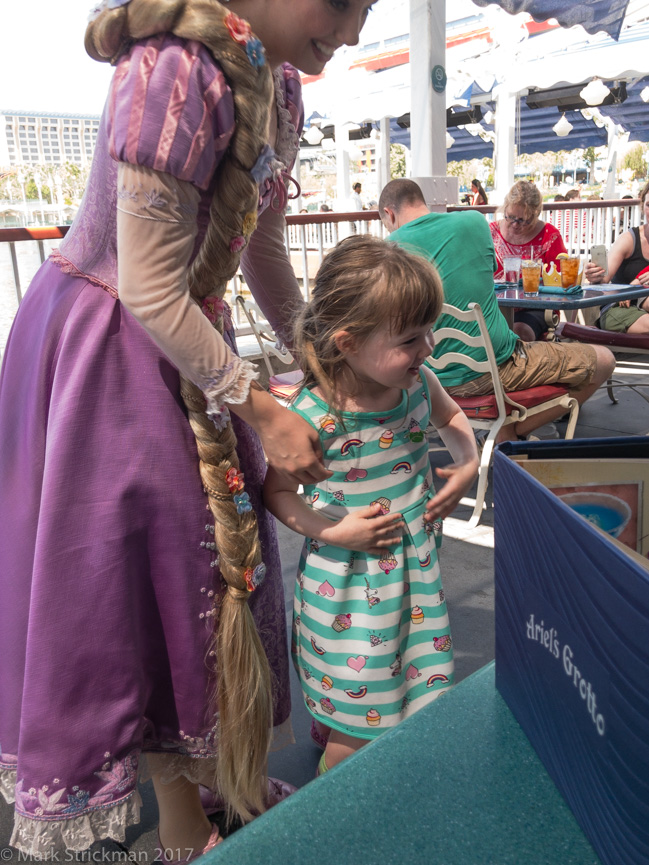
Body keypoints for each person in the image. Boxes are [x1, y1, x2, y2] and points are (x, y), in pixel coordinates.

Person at [0, 0, 374, 858]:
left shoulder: (278, 83)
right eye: (345, 0)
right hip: (109, 352)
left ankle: (210, 786)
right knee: (144, 580)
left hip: (188, 342)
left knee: (210, 567)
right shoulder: (168, 72)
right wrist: (264, 406)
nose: (353, 29)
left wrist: (310, 355)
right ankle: (182, 824)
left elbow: (264, 252)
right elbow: (148, 287)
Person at [263, 235, 479, 775]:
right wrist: (334, 532)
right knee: (357, 727)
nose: (428, 348)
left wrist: (468, 462)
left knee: (412, 690)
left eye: (428, 331)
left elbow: (453, 421)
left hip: (414, 583)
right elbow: (279, 494)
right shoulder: (312, 415)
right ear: (349, 342)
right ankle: (337, 823)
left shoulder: (418, 385)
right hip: (347, 592)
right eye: (410, 339)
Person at [378, 179, 615, 443]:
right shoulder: (474, 222)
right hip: (497, 368)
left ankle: (503, 429)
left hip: (428, 378)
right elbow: (487, 276)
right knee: (605, 360)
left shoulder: (387, 252)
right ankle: (513, 432)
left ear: (389, 213)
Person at [489, 180, 567, 341]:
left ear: (535, 214)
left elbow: (561, 279)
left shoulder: (548, 235)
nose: (515, 224)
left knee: (519, 332)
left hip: (535, 307)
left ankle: (521, 365)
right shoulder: (490, 233)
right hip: (494, 306)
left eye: (523, 220)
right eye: (510, 217)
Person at [585, 180, 649, 334]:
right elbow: (604, 278)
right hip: (618, 308)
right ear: (642, 206)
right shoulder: (630, 239)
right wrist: (595, 274)